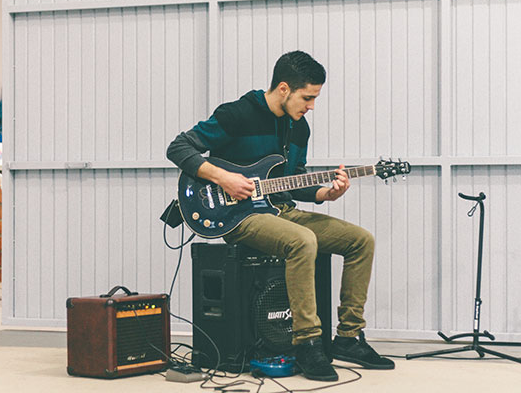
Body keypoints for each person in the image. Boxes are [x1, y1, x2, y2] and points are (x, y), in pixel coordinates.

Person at [166, 50, 394, 381]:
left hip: (280, 210)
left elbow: (293, 179)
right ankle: (308, 343)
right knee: (303, 241)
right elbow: (178, 148)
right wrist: (224, 178)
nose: (311, 106)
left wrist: (326, 193)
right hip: (238, 216)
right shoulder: (237, 114)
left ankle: (347, 338)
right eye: (308, 97)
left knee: (361, 240)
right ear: (284, 88)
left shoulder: (299, 129)